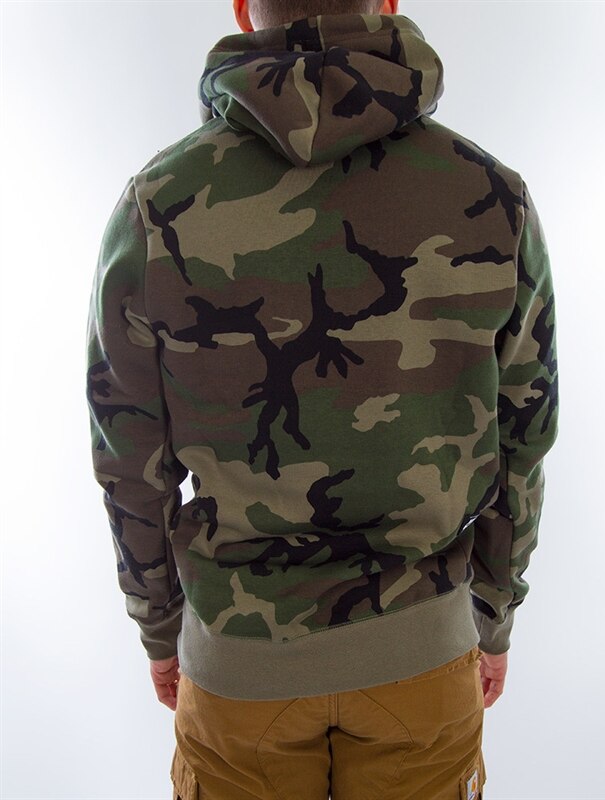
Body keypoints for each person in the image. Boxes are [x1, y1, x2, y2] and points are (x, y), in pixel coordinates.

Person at [85, 0, 559, 797]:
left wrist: (160, 628)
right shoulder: (491, 193)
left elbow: (126, 454)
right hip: (422, 658)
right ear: (390, 2)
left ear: (244, 8)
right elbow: (526, 434)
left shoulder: (155, 206)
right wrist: (493, 613)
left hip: (240, 669)